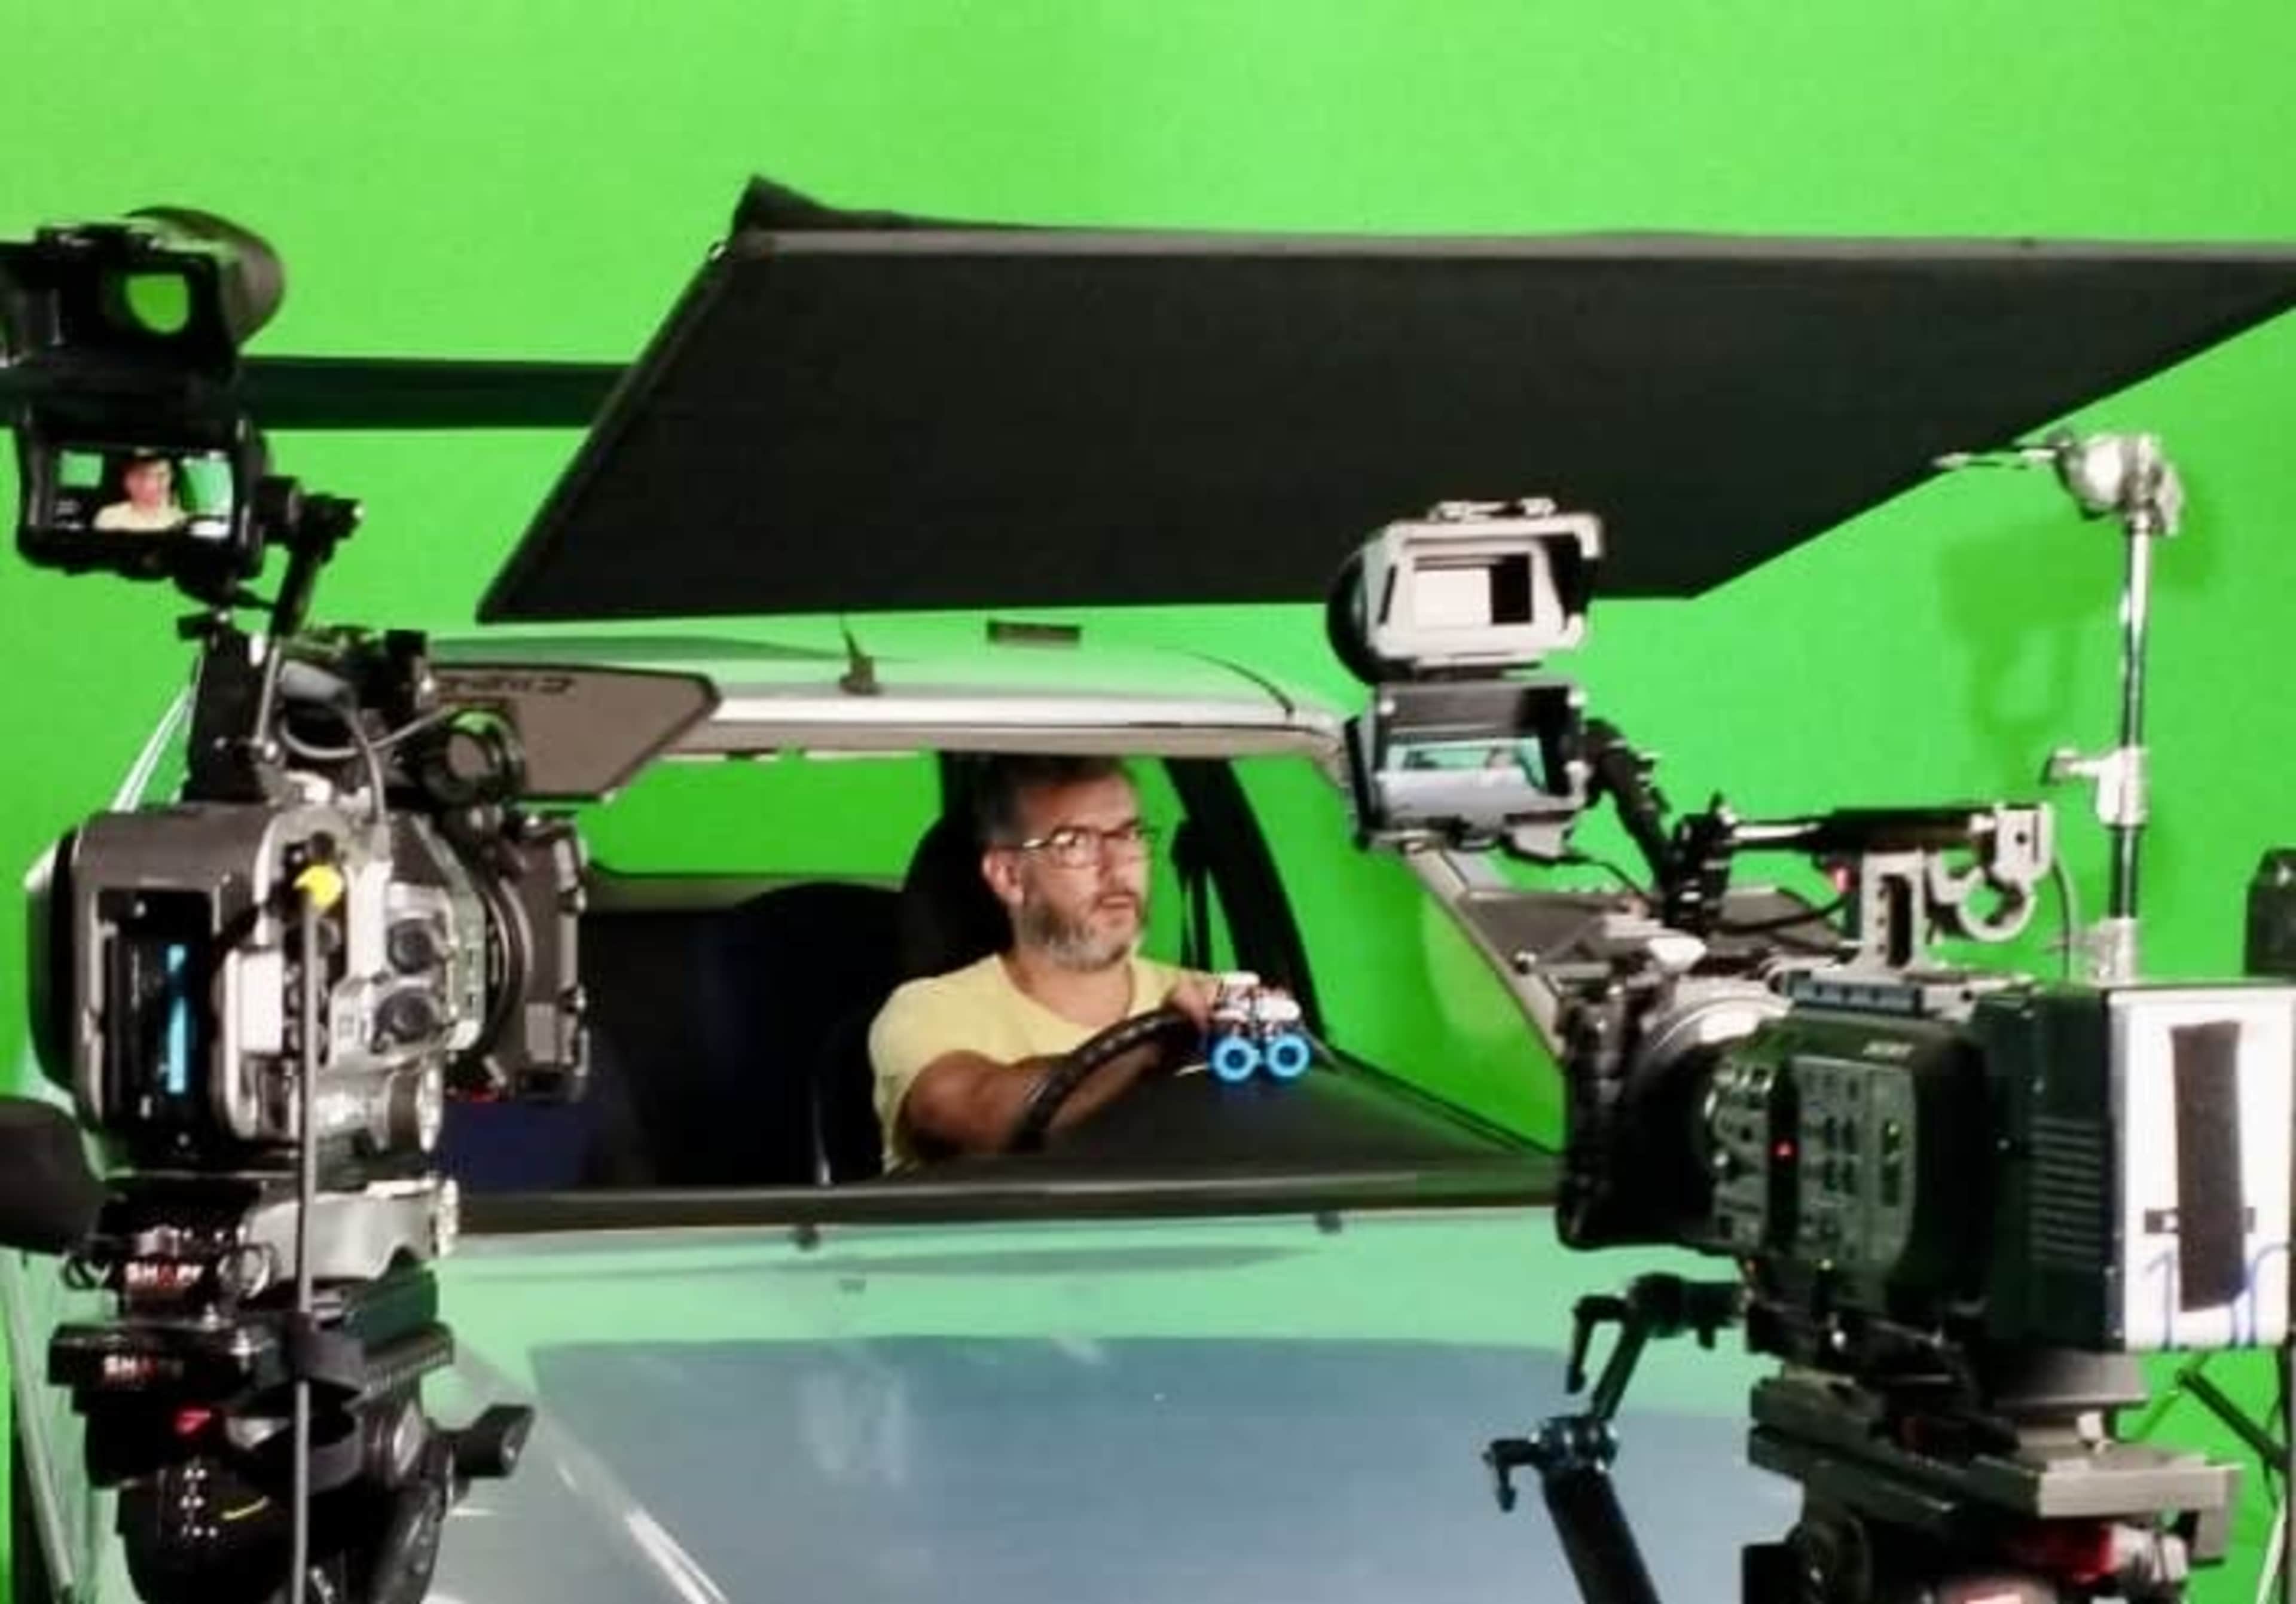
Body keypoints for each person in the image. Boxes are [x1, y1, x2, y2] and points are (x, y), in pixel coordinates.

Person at [868, 755, 1217, 1169]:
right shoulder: (928, 1010)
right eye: (1075, 843)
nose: (1116, 866)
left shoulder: (1209, 999)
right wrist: (1149, 1054)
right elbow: (969, 1112)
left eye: (1129, 835)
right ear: (1009, 876)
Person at [93, 454, 187, 532]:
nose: (151, 484)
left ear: (172, 478)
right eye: (141, 475)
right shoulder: (110, 517)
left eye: (161, 475)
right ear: (127, 480)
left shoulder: (183, 519)